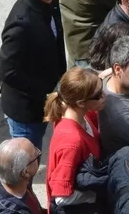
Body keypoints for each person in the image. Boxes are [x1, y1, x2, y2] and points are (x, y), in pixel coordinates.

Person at [0, 0, 68, 150]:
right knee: (26, 159)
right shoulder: (21, 24)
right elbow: (8, 72)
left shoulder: (48, 3)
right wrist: (45, 92)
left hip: (43, 99)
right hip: (26, 110)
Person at [45, 67, 106, 211]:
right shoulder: (72, 142)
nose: (104, 96)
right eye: (98, 95)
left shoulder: (76, 113)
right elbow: (61, 197)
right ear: (80, 103)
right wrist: (96, 196)